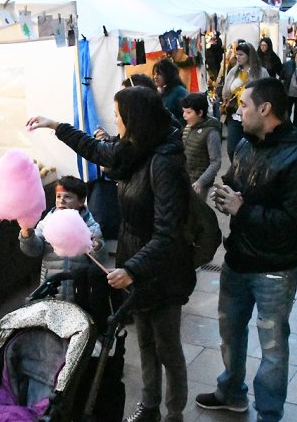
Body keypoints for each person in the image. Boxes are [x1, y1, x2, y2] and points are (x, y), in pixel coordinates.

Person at [27, 86, 196, 422]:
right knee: (144, 341)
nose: (115, 122)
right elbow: (96, 149)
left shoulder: (163, 162)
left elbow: (169, 233)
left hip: (162, 269)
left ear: (135, 121)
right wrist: (56, 126)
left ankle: (174, 413)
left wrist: (132, 269)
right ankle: (149, 407)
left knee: (167, 348)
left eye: (119, 117)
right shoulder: (132, 150)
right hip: (135, 261)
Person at [195, 78, 297, 421]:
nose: (239, 112)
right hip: (237, 259)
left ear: (265, 109)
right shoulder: (246, 146)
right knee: (230, 332)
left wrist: (242, 209)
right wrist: (227, 196)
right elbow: (239, 185)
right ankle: (231, 391)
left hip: (275, 269)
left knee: (273, 345)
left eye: (245, 106)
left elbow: (295, 221)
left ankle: (268, 412)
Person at [19, 175, 106, 298]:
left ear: (81, 201)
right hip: (52, 286)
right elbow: (33, 251)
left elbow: (100, 261)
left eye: (68, 197)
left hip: (79, 287)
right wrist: (27, 234)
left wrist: (97, 247)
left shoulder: (91, 227)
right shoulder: (46, 223)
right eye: (58, 196)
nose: (61, 200)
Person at [221, 42, 267, 161]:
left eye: (241, 54)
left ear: (249, 56)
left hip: (254, 116)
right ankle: (237, 171)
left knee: (254, 149)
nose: (238, 57)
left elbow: (267, 93)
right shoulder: (233, 72)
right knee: (232, 149)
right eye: (237, 54)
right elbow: (225, 91)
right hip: (235, 115)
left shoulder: (261, 72)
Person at [181, 93, 222, 200]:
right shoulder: (188, 127)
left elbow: (216, 161)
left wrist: (201, 182)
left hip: (198, 184)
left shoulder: (211, 132)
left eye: (188, 112)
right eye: (184, 111)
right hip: (185, 178)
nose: (184, 116)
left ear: (200, 112)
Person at [153, 58, 189, 127]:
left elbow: (187, 117)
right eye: (154, 74)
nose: (155, 77)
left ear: (168, 74)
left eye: (159, 74)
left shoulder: (179, 92)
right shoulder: (161, 92)